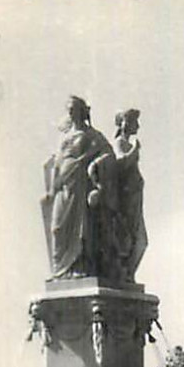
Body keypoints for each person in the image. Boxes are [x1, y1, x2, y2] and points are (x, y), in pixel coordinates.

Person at [41, 96, 116, 279]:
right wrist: (51, 188)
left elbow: (108, 153)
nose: (71, 112)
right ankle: (60, 270)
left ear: (82, 111)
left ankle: (78, 268)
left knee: (81, 229)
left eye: (74, 108)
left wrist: (94, 165)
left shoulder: (92, 135)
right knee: (57, 228)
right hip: (63, 185)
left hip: (81, 186)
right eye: (69, 109)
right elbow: (56, 163)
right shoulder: (64, 137)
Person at [112, 109, 148, 284]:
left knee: (140, 241)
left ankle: (128, 275)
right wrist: (135, 150)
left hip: (134, 203)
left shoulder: (126, 144)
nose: (138, 126)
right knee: (132, 241)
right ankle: (125, 275)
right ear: (126, 123)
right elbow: (120, 163)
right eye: (135, 122)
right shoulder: (119, 143)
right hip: (126, 203)